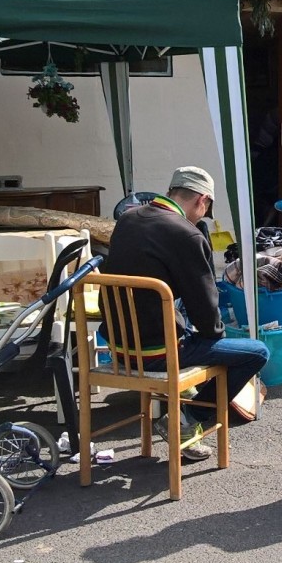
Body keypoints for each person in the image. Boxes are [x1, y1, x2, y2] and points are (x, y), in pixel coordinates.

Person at [99, 166, 268, 461]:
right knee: (256, 352)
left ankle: (187, 406)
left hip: (119, 349)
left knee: (190, 333)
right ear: (202, 200)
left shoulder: (127, 219)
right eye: (205, 209)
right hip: (158, 353)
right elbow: (205, 311)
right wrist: (216, 339)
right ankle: (188, 418)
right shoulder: (186, 234)